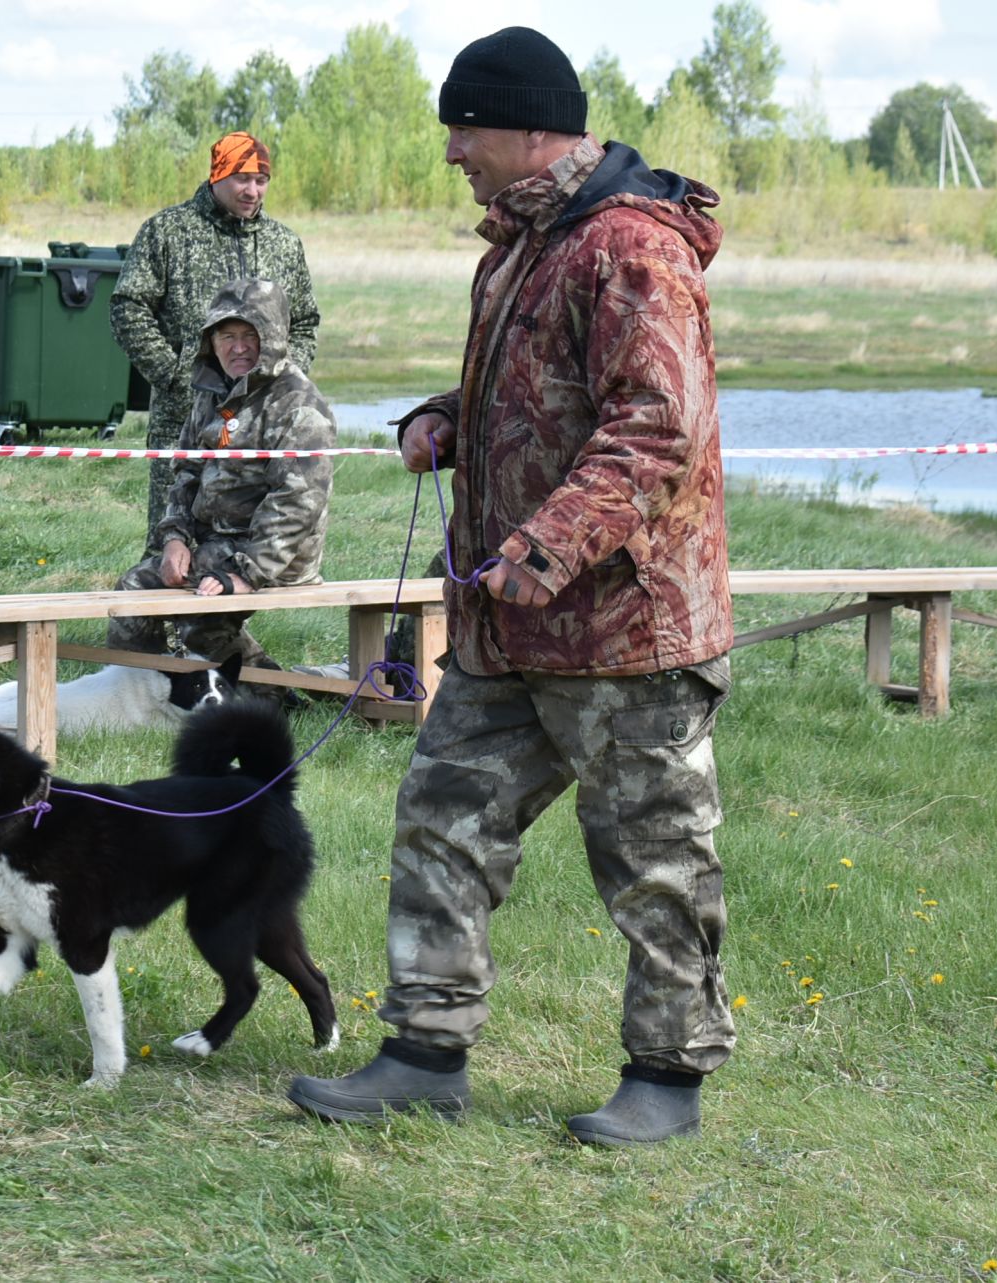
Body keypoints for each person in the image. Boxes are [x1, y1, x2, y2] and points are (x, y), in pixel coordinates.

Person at [286, 25, 736, 1147]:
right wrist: (450, 414)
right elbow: (542, 386)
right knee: (441, 820)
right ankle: (424, 1054)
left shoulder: (630, 247)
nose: (451, 152)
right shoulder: (523, 247)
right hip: (506, 627)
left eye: (464, 127)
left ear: (533, 126)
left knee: (654, 860)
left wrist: (541, 545)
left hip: (627, 627)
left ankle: (665, 1082)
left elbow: (657, 429)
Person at [111, 131, 320, 558]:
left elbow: (305, 322)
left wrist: (282, 384)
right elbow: (127, 307)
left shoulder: (284, 243)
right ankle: (162, 621)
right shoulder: (168, 232)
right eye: (242, 178)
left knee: (252, 535)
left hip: (263, 423)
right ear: (217, 176)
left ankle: (222, 620)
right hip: (184, 416)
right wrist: (172, 375)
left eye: (261, 180)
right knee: (171, 532)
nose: (253, 190)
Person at [106, 277, 333, 668]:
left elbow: (297, 504)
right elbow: (186, 472)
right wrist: (175, 538)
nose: (239, 347)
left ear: (274, 337)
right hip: (215, 544)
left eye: (251, 334)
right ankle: (145, 696)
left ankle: (262, 697)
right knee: (146, 600)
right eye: (227, 335)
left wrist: (248, 573)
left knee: (177, 603)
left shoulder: (299, 404)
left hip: (277, 556)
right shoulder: (211, 393)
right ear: (210, 340)